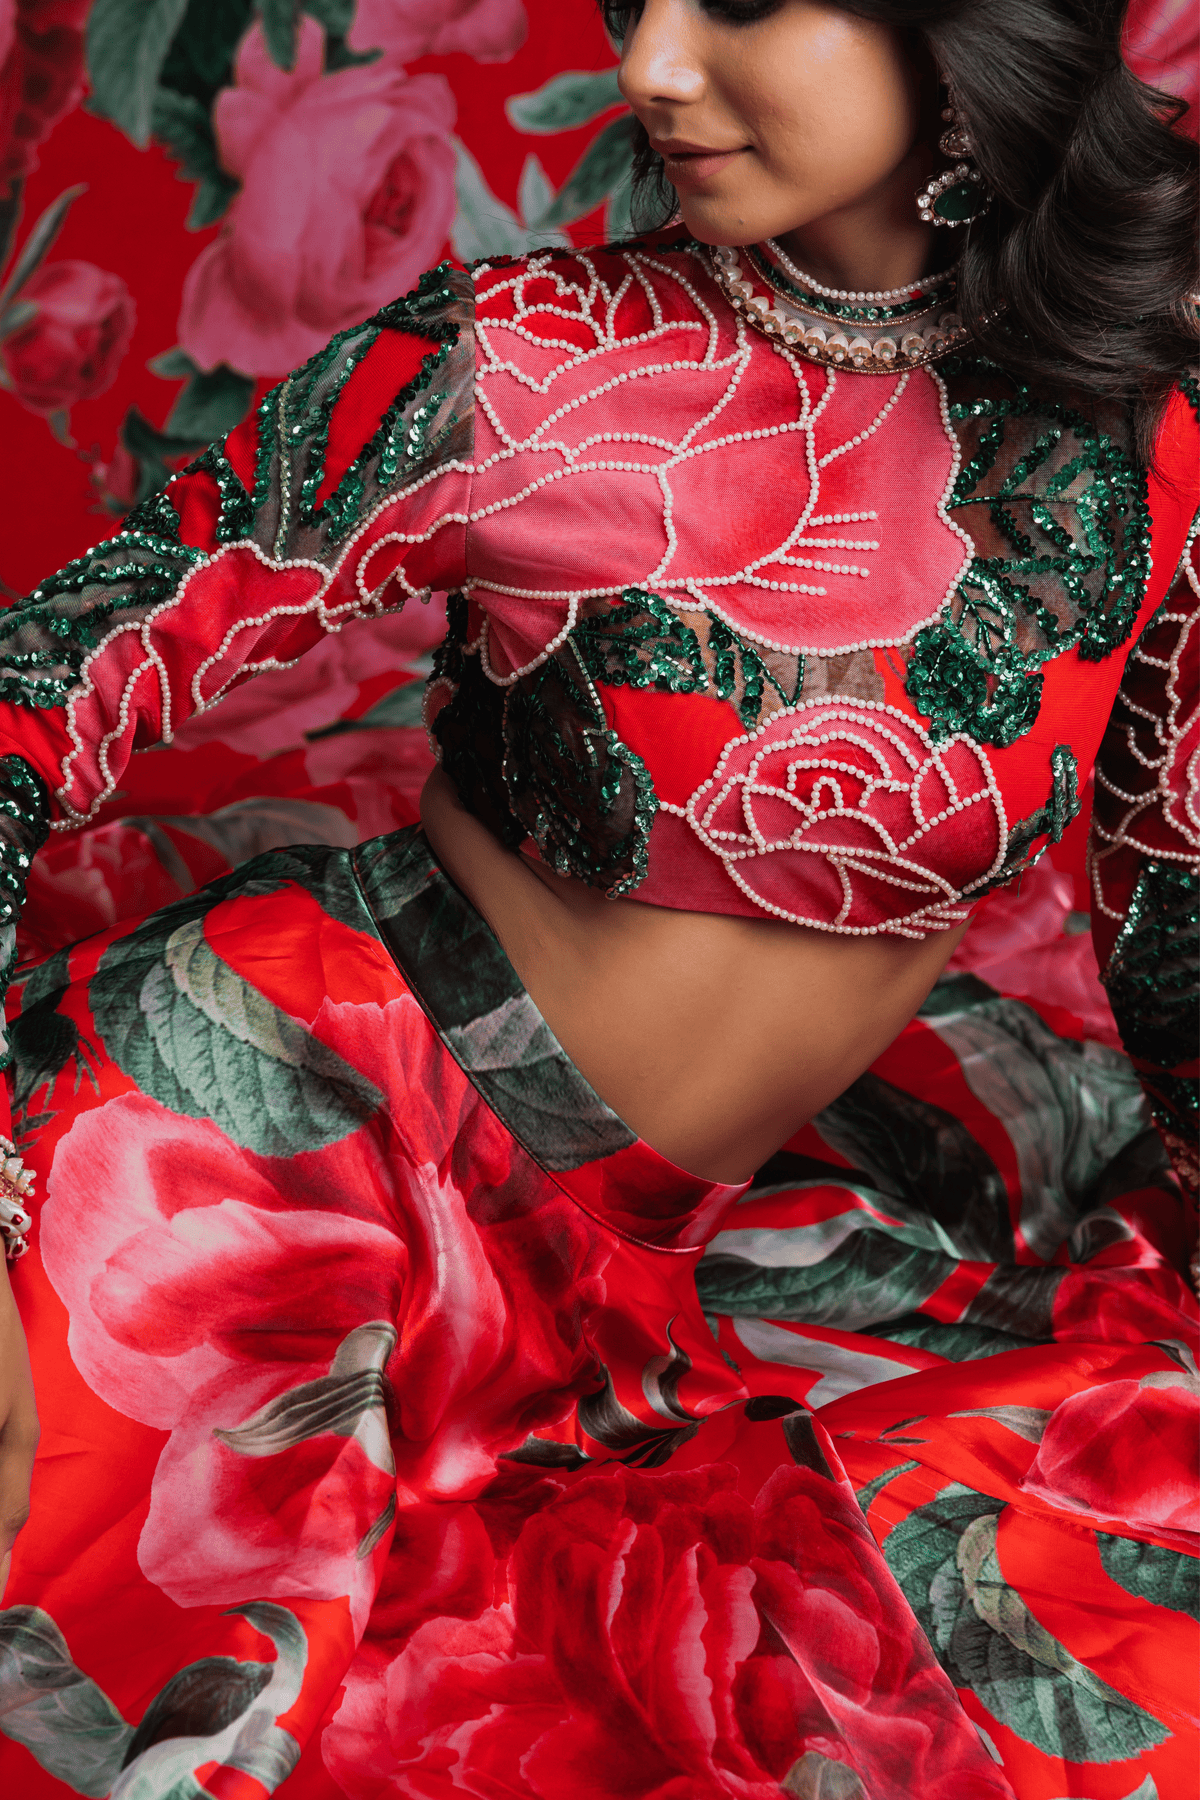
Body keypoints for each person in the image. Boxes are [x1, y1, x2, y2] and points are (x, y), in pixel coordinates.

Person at [0, 0, 1196, 1795]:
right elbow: (45, 671)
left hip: (676, 1261)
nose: (652, 63)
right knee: (157, 1700)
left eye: (740, 2)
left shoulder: (1147, 421)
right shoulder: (535, 357)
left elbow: (1175, 924)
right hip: (273, 1151)